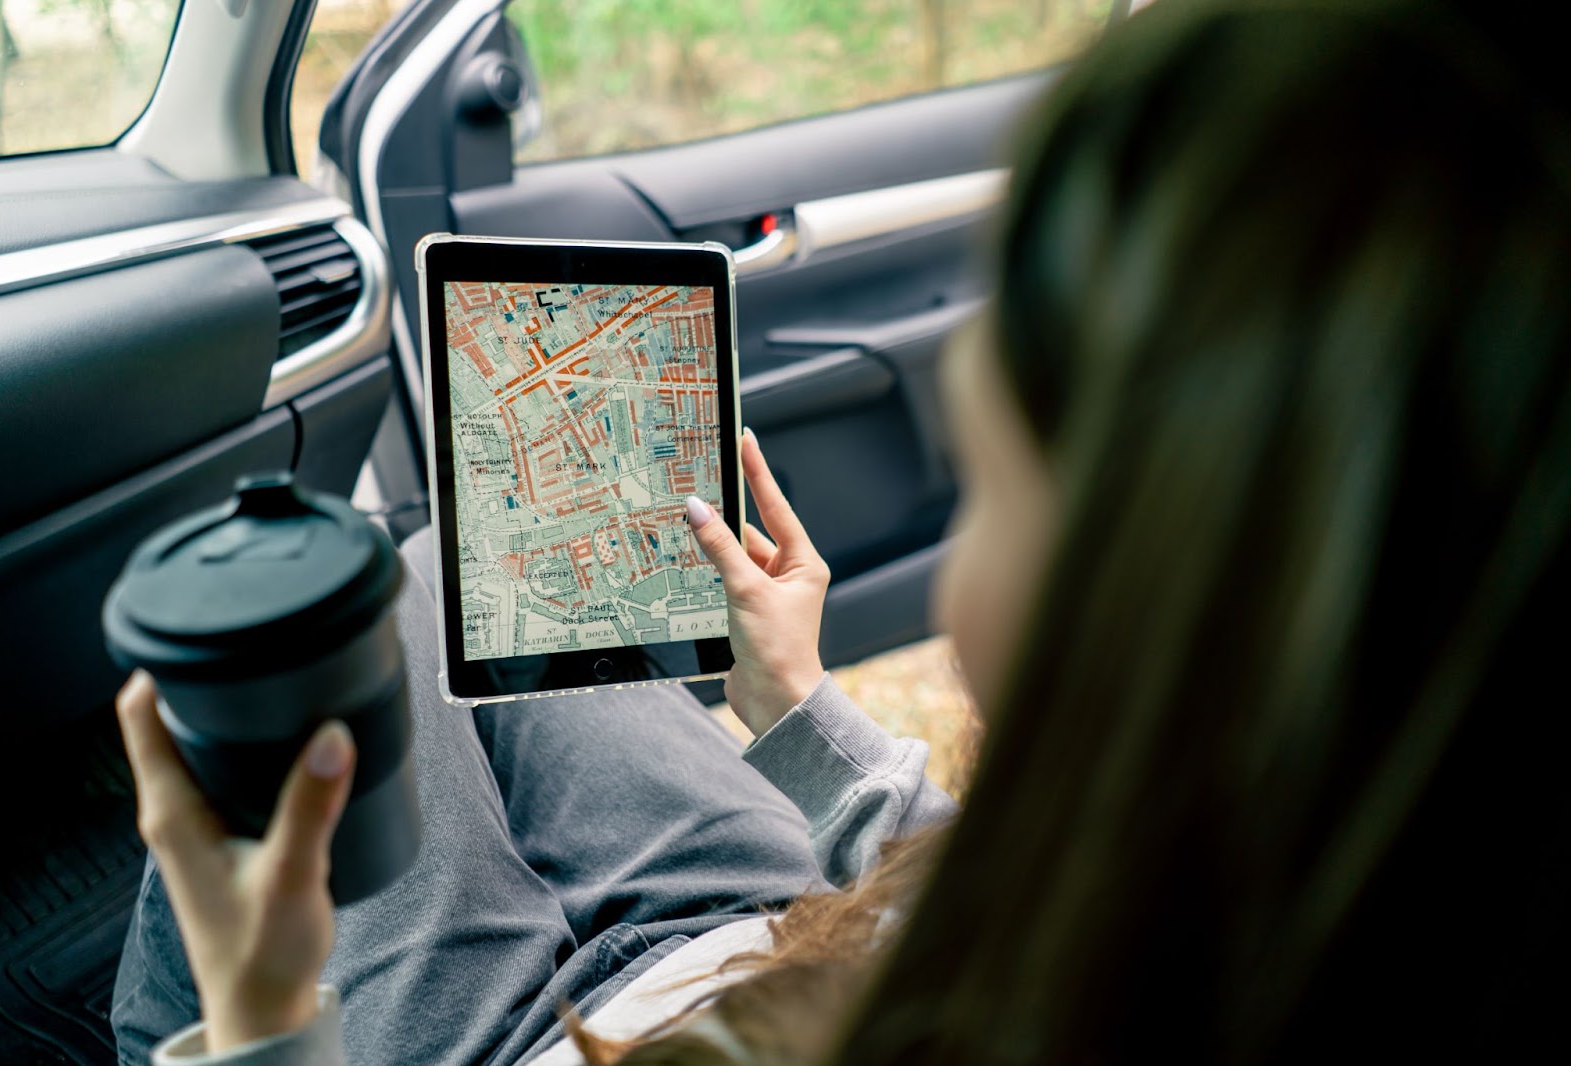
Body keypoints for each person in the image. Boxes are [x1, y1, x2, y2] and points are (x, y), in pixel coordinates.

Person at [111, 0, 1571, 1062]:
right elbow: (949, 864)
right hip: (784, 921)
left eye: (989, 477)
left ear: (1150, 597)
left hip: (570, 1031)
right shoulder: (1236, 900)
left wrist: (263, 1020)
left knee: (345, 679)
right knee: (437, 579)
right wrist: (796, 702)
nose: (961, 551)